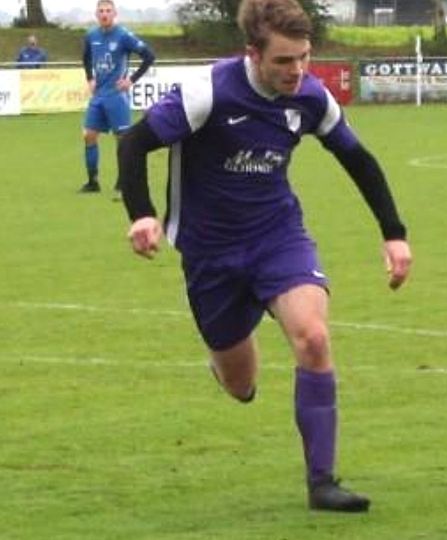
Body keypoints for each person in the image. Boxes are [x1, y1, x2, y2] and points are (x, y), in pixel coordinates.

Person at [116, 0, 412, 513]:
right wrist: (142, 214)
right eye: (283, 61)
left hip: (278, 238)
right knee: (241, 384)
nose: (296, 70)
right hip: (210, 253)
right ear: (252, 54)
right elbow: (134, 144)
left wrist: (394, 233)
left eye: (303, 57)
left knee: (314, 337)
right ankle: (227, 363)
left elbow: (358, 159)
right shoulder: (207, 92)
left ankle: (322, 482)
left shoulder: (311, 98)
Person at [79, 0, 155, 196]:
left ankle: (123, 182)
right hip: (98, 95)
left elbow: (149, 56)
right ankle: (93, 181)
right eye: (101, 11)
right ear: (96, 14)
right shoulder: (91, 35)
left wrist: (131, 80)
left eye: (108, 11)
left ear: (115, 14)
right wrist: (90, 78)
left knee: (122, 140)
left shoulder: (123, 36)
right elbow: (86, 57)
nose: (104, 14)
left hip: (116, 96)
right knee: (88, 135)